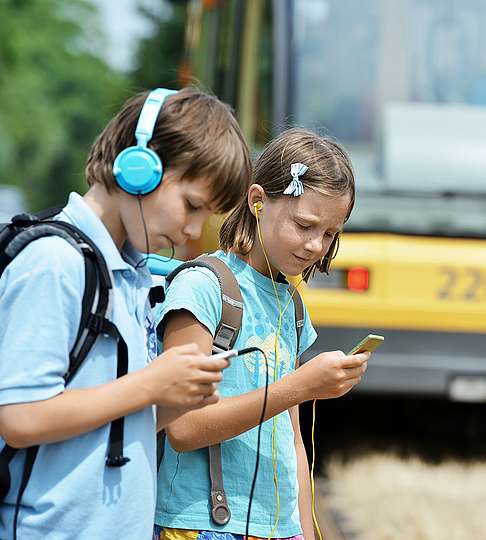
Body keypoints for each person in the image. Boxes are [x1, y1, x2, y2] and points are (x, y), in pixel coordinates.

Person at [0, 86, 251, 539]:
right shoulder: (55, 264)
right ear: (139, 168)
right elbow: (20, 417)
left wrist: (173, 402)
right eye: (192, 205)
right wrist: (151, 383)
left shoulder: (132, 276)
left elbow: (108, 420)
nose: (191, 231)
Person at [153, 128, 371, 540]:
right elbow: (181, 429)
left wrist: (303, 532)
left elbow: (292, 442)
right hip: (203, 525)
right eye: (304, 225)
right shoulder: (203, 287)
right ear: (257, 201)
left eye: (329, 234)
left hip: (278, 530)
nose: (315, 246)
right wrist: (298, 388)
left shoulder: (292, 304)